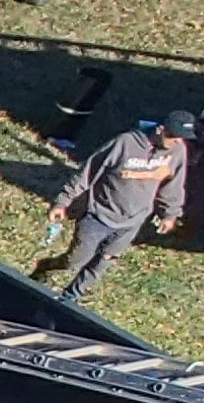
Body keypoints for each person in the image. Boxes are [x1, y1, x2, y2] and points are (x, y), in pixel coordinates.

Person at [44, 109, 194, 297]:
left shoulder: (178, 151)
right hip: (99, 214)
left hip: (133, 220)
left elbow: (174, 184)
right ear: (160, 130)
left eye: (182, 138)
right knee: (76, 260)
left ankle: (71, 296)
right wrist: (62, 202)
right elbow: (88, 172)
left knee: (103, 261)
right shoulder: (125, 143)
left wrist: (170, 214)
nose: (177, 142)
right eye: (173, 137)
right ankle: (46, 268)